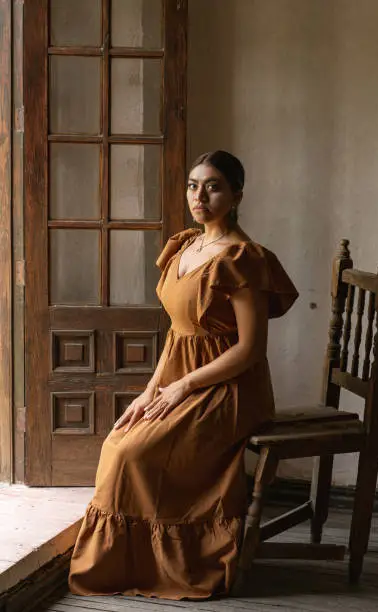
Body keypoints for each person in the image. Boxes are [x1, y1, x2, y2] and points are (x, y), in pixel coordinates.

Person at [68, 150, 298, 600]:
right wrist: (151, 391)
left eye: (213, 186)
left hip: (228, 387)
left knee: (135, 455)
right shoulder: (185, 246)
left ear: (236, 195)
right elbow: (178, 336)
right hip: (179, 377)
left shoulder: (243, 258)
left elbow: (250, 350)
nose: (200, 195)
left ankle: (177, 562)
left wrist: (183, 387)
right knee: (118, 440)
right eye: (193, 185)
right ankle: (125, 564)